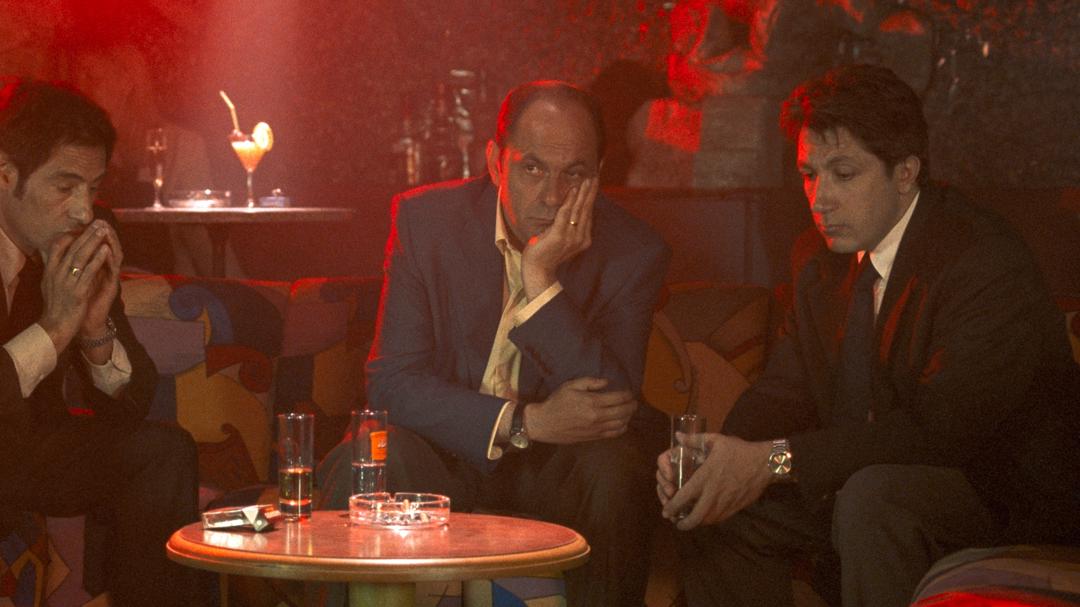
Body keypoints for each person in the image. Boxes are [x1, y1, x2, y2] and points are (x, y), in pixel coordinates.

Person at [656, 64, 1080, 607]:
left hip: (997, 490)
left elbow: (938, 433)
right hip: (863, 473)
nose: (820, 198)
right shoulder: (818, 259)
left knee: (873, 496)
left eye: (843, 174)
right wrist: (722, 462)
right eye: (809, 174)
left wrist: (771, 462)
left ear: (905, 173)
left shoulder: (981, 259)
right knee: (717, 506)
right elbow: (782, 393)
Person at [317, 80, 670, 606]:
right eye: (533, 169)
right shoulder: (426, 222)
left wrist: (541, 280)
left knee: (615, 469)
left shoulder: (633, 251)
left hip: (556, 471)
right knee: (368, 453)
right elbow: (391, 383)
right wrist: (525, 423)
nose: (553, 196)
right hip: (443, 457)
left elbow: (610, 406)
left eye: (574, 173)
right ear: (495, 163)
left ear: (598, 174)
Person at [0, 78, 207, 606]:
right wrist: (55, 329)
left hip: (31, 447)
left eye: (92, 189)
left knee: (162, 450)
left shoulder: (85, 232)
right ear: (5, 174)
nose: (82, 211)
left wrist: (94, 329)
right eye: (64, 187)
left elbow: (131, 404)